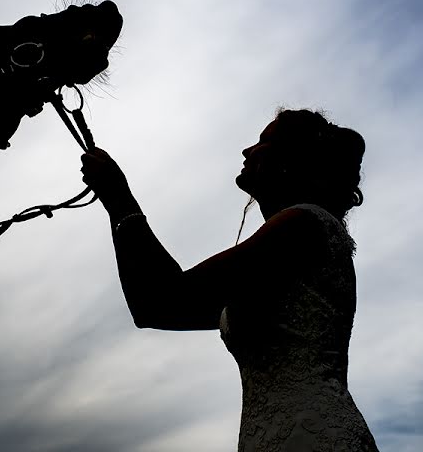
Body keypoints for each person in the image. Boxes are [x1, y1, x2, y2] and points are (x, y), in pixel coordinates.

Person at [80, 108, 380, 451]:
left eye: (262, 142)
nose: (246, 151)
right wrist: (116, 203)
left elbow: (167, 297)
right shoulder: (292, 243)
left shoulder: (304, 224)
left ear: (289, 160)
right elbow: (152, 309)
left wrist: (119, 198)